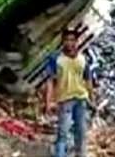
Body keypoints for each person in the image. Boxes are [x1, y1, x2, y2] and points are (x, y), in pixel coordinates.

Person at [45, 28, 95, 157]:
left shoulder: (83, 59)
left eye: (72, 40)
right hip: (65, 100)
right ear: (62, 42)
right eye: (66, 40)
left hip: (81, 99)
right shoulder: (56, 59)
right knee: (63, 133)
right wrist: (49, 102)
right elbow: (50, 82)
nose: (69, 43)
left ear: (77, 42)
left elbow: (88, 80)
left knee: (81, 132)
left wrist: (92, 99)